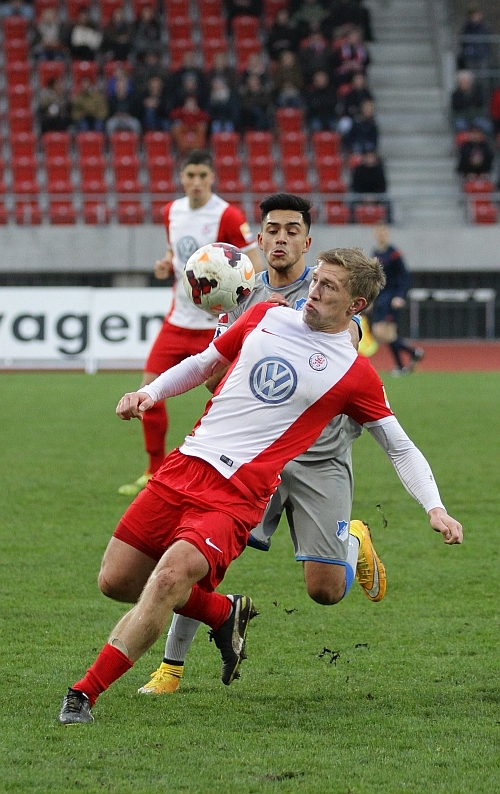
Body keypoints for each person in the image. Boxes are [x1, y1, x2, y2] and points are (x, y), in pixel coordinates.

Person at [58, 246, 462, 724]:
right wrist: (149, 392)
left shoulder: (355, 374)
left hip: (237, 495)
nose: (313, 291)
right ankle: (222, 613)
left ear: (356, 305)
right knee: (117, 581)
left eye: (328, 287)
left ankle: (83, 694)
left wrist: (435, 507)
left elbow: (399, 446)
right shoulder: (265, 315)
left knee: (169, 579)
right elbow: (204, 364)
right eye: (316, 279)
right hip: (184, 466)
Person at [137, 192, 380, 695]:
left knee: (325, 591)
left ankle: (352, 540)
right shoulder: (240, 292)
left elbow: (347, 343)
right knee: (201, 553)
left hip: (318, 456)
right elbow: (214, 377)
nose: (281, 239)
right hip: (249, 458)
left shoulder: (326, 293)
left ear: (307, 243)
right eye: (272, 229)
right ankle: (170, 668)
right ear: (260, 238)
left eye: (293, 231)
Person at [118, 149, 263, 497]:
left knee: (228, 398)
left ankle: (235, 468)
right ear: (181, 178)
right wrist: (166, 263)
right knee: (148, 392)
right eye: (190, 176)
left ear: (212, 178)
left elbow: (255, 265)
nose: (196, 182)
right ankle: (153, 470)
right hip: (177, 321)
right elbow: (177, 253)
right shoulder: (171, 211)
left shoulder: (228, 215)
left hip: (217, 326)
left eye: (202, 176)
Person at [370, 223, 423, 376]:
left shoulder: (394, 253)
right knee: (386, 334)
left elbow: (404, 276)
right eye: (378, 232)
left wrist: (400, 295)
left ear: (387, 234)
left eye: (383, 232)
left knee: (383, 332)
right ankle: (410, 355)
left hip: (391, 296)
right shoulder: (375, 253)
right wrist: (371, 298)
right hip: (381, 297)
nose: (381, 235)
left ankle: (404, 362)